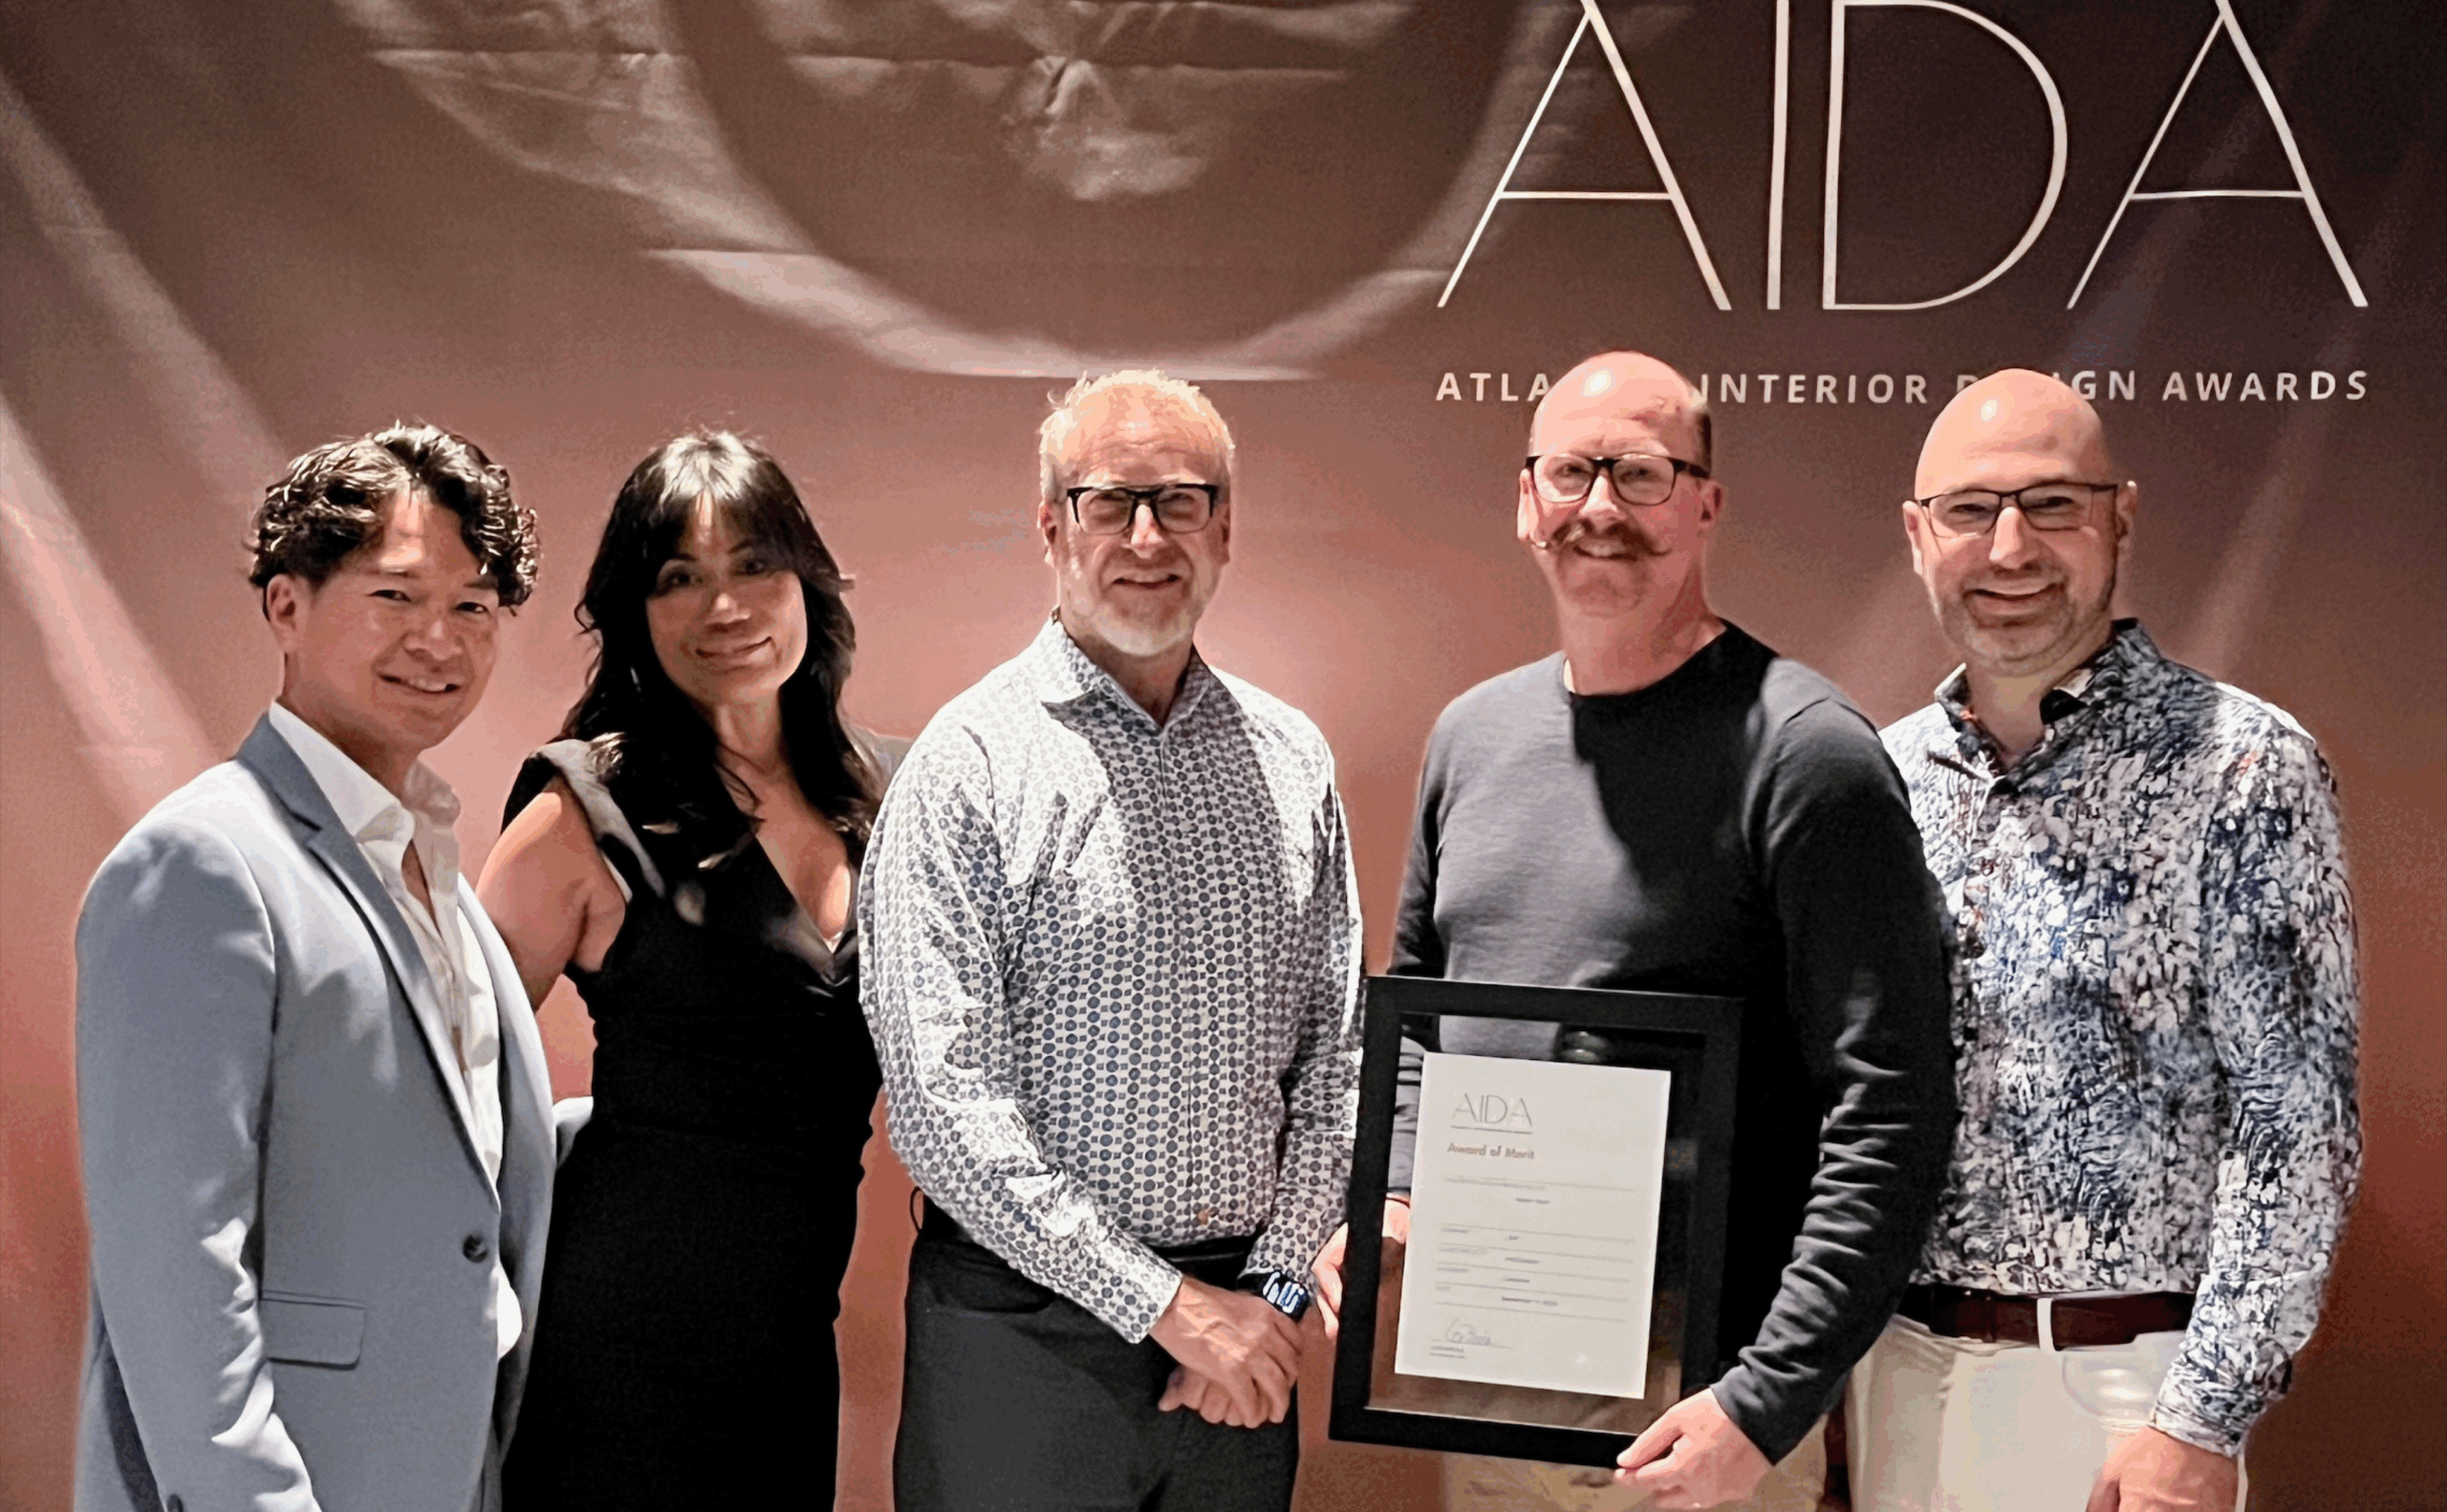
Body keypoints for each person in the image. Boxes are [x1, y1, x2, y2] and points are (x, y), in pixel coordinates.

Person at [1375, 352, 1957, 1512]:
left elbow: (1889, 1107)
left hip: (1697, 1432)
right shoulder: (1472, 739)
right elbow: (1417, 1017)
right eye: (1572, 473)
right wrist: (1394, 1194)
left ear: (1705, 502)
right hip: (1491, 1390)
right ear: (1525, 499)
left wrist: (1766, 1402)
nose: (1600, 509)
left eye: (1640, 474)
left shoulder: (1806, 752)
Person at [1851, 370, 2360, 1512]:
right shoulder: (1878, 776)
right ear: (1917, 535)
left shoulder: (2241, 765)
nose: (2011, 547)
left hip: (2119, 1393)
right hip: (1892, 1377)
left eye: (2054, 506)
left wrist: (2199, 1415)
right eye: (1972, 509)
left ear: (2119, 518)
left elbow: (2295, 1122)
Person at [858, 371, 1362, 1512]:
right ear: (1051, 526)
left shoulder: (1292, 763)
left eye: (1181, 501)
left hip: (1243, 1347)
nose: (1147, 536)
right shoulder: (966, 767)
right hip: (1021, 1337)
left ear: (1225, 526)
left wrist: (1270, 1297)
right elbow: (944, 1111)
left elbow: (1337, 1063)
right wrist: (1168, 1308)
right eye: (1107, 502)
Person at [74, 424, 551, 1512]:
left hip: (449, 1465)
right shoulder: (204, 861)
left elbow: (444, 1155)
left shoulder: (432, 864)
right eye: (395, 597)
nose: (441, 640)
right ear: (286, 606)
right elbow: (175, 1263)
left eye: (474, 607)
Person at [478, 432, 895, 1509]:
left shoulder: (887, 799)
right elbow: (446, 1084)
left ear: (808, 578)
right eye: (680, 578)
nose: (726, 607)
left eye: (755, 564)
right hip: (615, 1347)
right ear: (636, 614)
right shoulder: (579, 812)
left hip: (792, 1347)